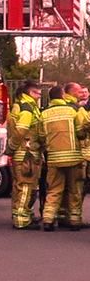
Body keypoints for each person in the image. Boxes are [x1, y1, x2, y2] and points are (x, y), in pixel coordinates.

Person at [36, 85, 89, 231]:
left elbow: (41, 136)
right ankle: (74, 221)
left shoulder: (44, 114)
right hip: (74, 158)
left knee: (54, 190)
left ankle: (48, 220)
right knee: (74, 190)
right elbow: (80, 131)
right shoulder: (73, 110)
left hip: (54, 159)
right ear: (63, 96)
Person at [9, 80, 44, 229]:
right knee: (25, 186)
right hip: (27, 154)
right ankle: (22, 219)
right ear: (30, 93)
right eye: (38, 93)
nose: (39, 96)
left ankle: (22, 214)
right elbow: (21, 130)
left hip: (23, 153)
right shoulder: (27, 109)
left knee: (20, 186)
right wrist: (12, 146)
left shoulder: (20, 105)